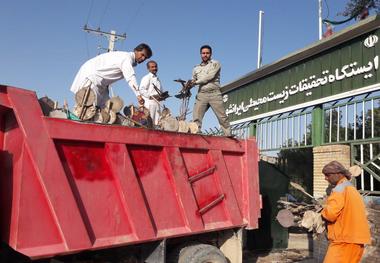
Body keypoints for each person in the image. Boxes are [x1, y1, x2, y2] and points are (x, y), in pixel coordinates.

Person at [70, 43, 152, 108]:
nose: (143, 58)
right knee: (88, 108)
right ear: (136, 50)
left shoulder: (128, 59)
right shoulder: (127, 58)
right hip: (91, 77)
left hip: (100, 83)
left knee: (106, 108)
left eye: (146, 58)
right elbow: (130, 77)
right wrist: (138, 95)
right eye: (142, 55)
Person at [321, 161, 371, 263]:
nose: (325, 178)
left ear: (338, 174)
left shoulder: (339, 189)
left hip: (344, 241)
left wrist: (323, 211)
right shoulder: (351, 188)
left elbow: (330, 215)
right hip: (356, 240)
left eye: (327, 175)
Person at [188, 45, 231, 136]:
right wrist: (188, 85)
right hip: (201, 94)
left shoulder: (215, 63)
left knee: (222, 116)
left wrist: (195, 82)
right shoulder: (196, 68)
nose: (205, 55)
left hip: (214, 94)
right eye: (203, 53)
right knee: (197, 116)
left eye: (207, 53)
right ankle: (196, 133)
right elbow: (193, 79)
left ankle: (228, 134)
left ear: (210, 54)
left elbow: (209, 77)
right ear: (200, 54)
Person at [139, 60, 162, 125]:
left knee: (156, 123)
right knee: (149, 122)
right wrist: (151, 96)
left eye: (155, 66)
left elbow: (160, 91)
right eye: (152, 67)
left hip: (157, 104)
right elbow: (141, 89)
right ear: (148, 69)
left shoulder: (158, 79)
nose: (154, 68)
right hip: (149, 104)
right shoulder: (146, 78)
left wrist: (162, 96)